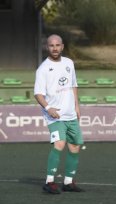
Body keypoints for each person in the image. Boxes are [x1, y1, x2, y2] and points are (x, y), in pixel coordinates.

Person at [34, 34, 84, 194]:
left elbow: (73, 85)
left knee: (75, 146)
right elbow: (38, 94)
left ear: (62, 46)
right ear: (46, 47)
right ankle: (49, 182)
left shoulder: (69, 63)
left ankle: (68, 182)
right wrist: (49, 109)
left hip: (70, 113)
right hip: (54, 115)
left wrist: (77, 105)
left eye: (57, 45)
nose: (54, 48)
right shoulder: (42, 69)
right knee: (60, 143)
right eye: (51, 45)